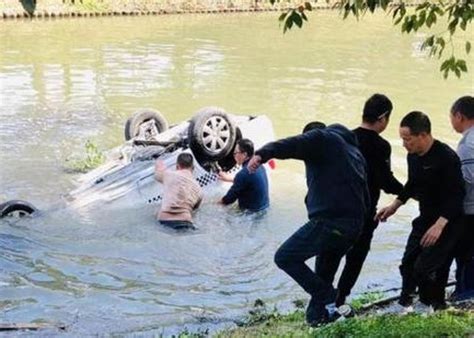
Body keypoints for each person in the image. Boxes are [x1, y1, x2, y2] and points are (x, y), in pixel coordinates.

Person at [248, 123, 369, 325]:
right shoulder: (353, 153)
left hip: (332, 222)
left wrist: (262, 154)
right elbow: (364, 194)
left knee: (285, 257)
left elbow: (292, 144)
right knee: (322, 277)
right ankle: (318, 321)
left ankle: (332, 296)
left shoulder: (322, 139)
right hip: (352, 227)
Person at [376, 111, 465, 311]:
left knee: (425, 268)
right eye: (402, 139)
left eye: (407, 139)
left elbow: (457, 195)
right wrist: (394, 206)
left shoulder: (447, 157)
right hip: (425, 218)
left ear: (423, 135)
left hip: (447, 222)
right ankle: (405, 301)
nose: (404, 144)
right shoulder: (413, 156)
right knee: (407, 263)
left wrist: (439, 226)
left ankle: (427, 305)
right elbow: (413, 183)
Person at [326, 94, 404, 307]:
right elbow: (386, 182)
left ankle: (321, 300)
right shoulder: (381, 146)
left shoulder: (343, 138)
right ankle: (340, 299)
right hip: (363, 213)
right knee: (355, 259)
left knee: (330, 258)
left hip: (337, 211)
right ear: (384, 118)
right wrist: (410, 192)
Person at [450, 95, 474, 300]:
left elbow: (466, 181)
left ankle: (465, 296)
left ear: (459, 116)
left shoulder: (467, 144)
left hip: (470, 209)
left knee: (466, 255)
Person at [154, 153, 203, 230]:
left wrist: (158, 160)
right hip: (187, 223)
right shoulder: (199, 189)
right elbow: (194, 211)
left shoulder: (168, 175)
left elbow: (157, 174)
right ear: (193, 168)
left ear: (177, 166)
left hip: (165, 222)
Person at [219, 138, 269, 212]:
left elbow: (228, 200)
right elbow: (249, 181)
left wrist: (213, 204)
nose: (234, 156)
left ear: (244, 155)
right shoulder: (260, 166)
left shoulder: (243, 174)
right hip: (265, 208)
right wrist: (229, 178)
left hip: (250, 216)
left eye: (235, 153)